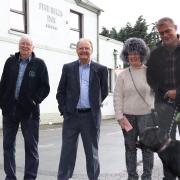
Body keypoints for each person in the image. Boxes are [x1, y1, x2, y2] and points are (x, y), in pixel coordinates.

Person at [56, 38, 108, 180]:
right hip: (71, 116)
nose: (84, 51)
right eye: (81, 48)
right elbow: (61, 91)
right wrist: (65, 110)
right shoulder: (68, 68)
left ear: (92, 50)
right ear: (77, 50)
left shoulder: (101, 69)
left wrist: (94, 105)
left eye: (86, 48)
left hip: (91, 117)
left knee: (92, 153)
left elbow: (103, 92)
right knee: (67, 152)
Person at [0, 35, 50, 180]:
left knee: (31, 147)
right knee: (8, 145)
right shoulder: (10, 62)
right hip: (10, 110)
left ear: (33, 48)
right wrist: (2, 103)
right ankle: (10, 176)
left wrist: (34, 101)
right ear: (18, 46)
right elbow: (3, 84)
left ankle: (30, 177)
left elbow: (45, 87)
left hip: (29, 112)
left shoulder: (39, 64)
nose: (25, 46)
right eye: (22, 44)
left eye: (28, 44)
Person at [113, 37, 154, 180]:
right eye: (130, 53)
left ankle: (147, 176)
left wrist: (155, 111)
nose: (133, 56)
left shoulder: (150, 72)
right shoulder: (122, 75)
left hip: (146, 117)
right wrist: (119, 115)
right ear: (126, 55)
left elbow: (156, 94)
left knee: (147, 148)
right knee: (130, 148)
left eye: (136, 53)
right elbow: (117, 96)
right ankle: (132, 176)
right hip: (127, 118)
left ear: (142, 54)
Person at [146, 17, 180, 180]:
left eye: (168, 31)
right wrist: (165, 92)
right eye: (161, 33)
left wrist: (177, 93)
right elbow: (151, 79)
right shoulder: (155, 54)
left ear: (176, 29)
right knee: (166, 149)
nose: (165, 35)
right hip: (165, 108)